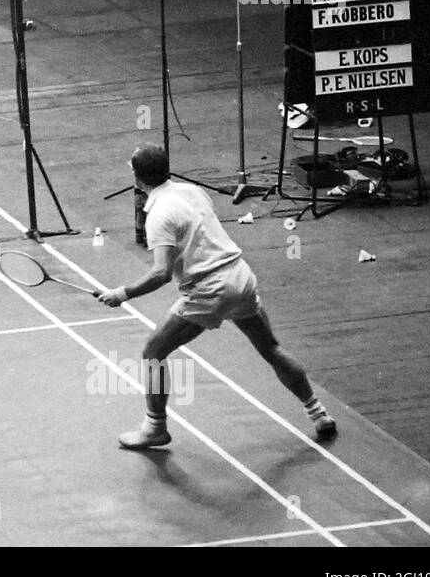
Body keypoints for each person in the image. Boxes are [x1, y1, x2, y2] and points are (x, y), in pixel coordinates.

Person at [97, 145, 338, 449]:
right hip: (240, 276)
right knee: (271, 348)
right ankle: (319, 414)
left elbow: (161, 272)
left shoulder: (158, 215)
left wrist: (122, 293)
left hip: (210, 290)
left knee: (154, 351)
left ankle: (154, 428)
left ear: (137, 177)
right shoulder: (192, 191)